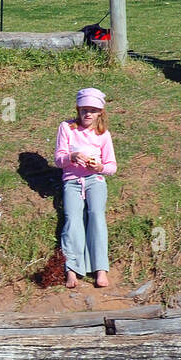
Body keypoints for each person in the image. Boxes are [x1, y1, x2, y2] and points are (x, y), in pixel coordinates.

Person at [54, 88, 117, 290]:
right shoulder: (66, 128)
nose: (87, 114)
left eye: (93, 110)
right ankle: (72, 268)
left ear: (100, 113)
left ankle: (100, 269)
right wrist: (71, 157)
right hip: (72, 181)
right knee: (73, 219)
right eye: (84, 110)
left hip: (94, 180)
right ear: (78, 109)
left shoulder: (103, 135)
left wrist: (99, 168)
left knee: (96, 215)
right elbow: (58, 159)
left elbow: (111, 167)